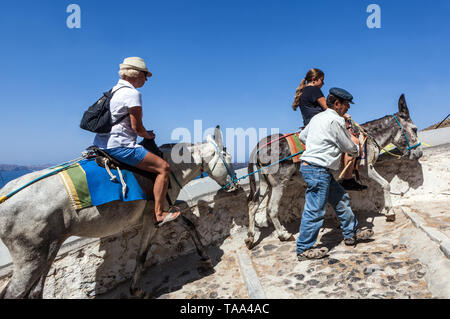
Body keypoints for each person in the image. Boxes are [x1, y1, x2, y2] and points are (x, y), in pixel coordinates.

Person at [93, 57, 180, 227]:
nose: (146, 79)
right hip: (120, 146)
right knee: (164, 168)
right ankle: (159, 213)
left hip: (101, 144)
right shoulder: (133, 94)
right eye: (145, 75)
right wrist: (148, 135)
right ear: (135, 74)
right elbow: (137, 128)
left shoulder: (113, 92)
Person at [296, 88, 374, 261]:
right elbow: (348, 146)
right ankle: (303, 249)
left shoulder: (318, 118)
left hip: (315, 169)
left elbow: (302, 136)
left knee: (341, 199)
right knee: (315, 210)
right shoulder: (335, 120)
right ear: (337, 104)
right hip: (318, 170)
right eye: (346, 104)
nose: (347, 108)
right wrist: (356, 147)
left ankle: (350, 233)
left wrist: (318, 145)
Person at [292, 69, 367, 191]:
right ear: (314, 80)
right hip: (323, 124)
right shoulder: (314, 90)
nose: (323, 83)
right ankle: (348, 179)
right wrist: (344, 117)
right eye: (322, 80)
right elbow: (329, 108)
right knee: (356, 141)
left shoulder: (303, 91)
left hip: (309, 125)